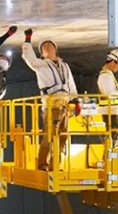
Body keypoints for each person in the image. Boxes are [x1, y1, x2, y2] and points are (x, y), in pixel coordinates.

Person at [21, 28, 78, 170]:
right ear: (42, 53)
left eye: (49, 45)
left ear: (55, 48)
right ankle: (42, 165)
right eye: (44, 47)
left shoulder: (64, 66)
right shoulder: (41, 65)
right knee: (49, 136)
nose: (47, 47)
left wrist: (76, 101)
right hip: (51, 105)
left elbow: (71, 84)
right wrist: (28, 39)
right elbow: (29, 58)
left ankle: (55, 165)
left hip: (64, 105)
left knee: (63, 136)